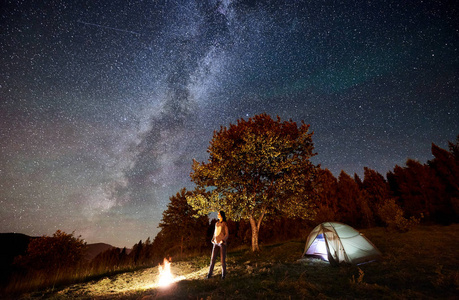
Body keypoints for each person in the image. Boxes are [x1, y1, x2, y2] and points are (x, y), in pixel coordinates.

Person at [206, 211, 229, 279]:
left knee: (222, 260)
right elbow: (215, 233)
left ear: (221, 215)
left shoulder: (224, 224)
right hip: (215, 243)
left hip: (222, 243)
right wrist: (212, 239)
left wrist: (223, 240)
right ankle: (209, 275)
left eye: (218, 214)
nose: (217, 215)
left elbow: (227, 234)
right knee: (212, 259)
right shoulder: (216, 223)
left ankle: (223, 275)